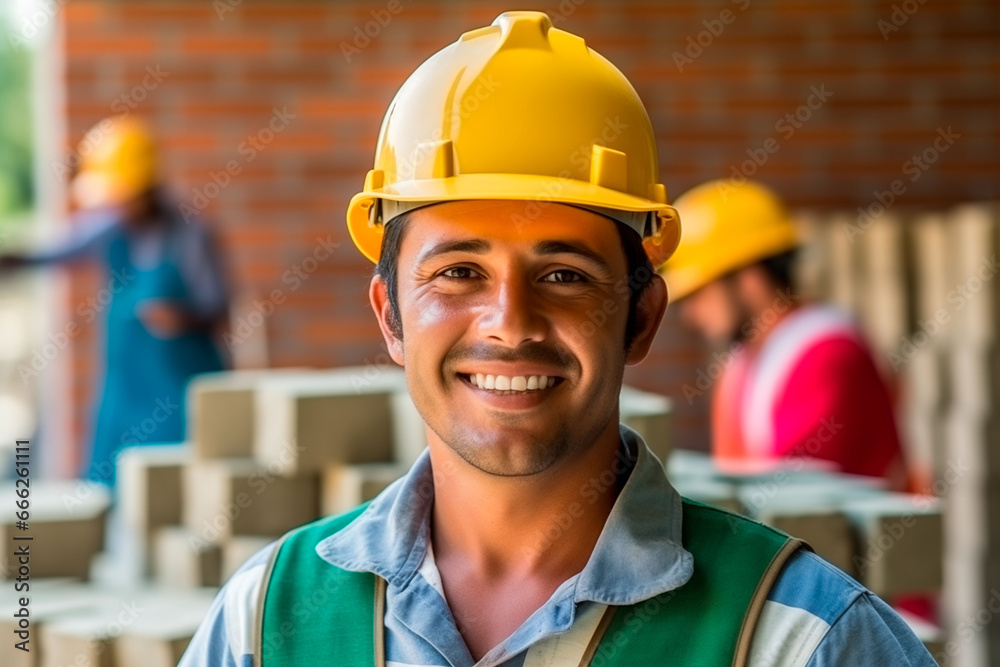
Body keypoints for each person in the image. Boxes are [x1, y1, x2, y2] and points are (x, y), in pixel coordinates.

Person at [180, 11, 934, 666]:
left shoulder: (800, 639)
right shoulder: (263, 624)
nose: (509, 321)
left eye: (566, 274)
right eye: (459, 271)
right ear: (390, 316)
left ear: (641, 317)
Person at [0, 116, 229, 486]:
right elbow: (53, 253)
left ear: (145, 188)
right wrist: (12, 259)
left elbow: (220, 308)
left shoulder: (190, 234)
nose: (114, 207)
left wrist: (182, 319)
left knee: (177, 489)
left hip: (181, 397)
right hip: (124, 394)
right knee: (111, 488)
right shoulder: (109, 228)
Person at [661, 179, 910, 490]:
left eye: (699, 294)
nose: (690, 315)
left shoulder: (826, 354)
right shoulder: (742, 363)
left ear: (749, 278)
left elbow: (792, 500)